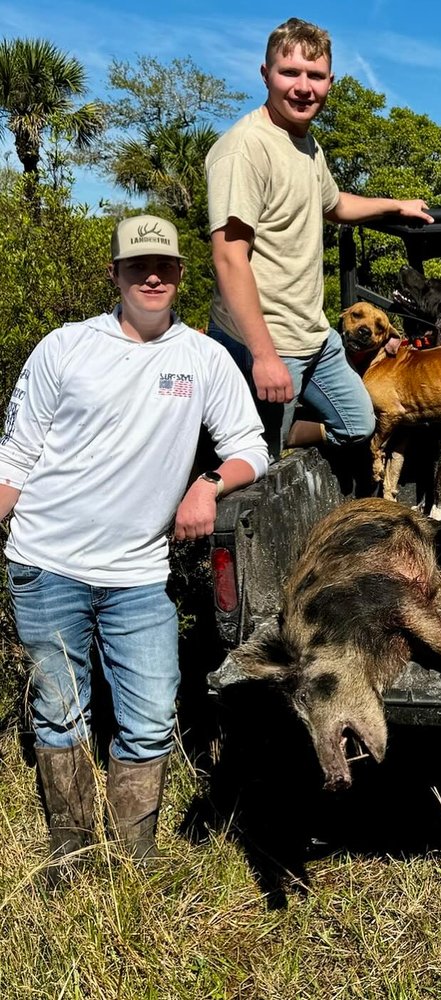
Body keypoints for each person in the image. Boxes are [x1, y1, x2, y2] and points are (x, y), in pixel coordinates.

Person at [0, 214, 270, 878]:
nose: (153, 276)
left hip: (139, 575)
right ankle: (72, 852)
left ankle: (135, 857)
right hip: (46, 563)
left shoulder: (203, 359)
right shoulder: (65, 347)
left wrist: (208, 484)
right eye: (137, 266)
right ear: (114, 274)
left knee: (150, 714)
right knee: (60, 712)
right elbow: (14, 460)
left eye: (166, 267)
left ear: (180, 275)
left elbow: (251, 450)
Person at [205, 17, 434, 458]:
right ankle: (248, 441)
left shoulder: (307, 144)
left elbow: (334, 205)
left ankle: (284, 430)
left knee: (360, 422)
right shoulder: (245, 148)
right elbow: (228, 258)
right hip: (266, 342)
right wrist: (265, 357)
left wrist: (395, 205)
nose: (303, 87)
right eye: (289, 73)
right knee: (257, 463)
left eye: (315, 76)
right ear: (265, 75)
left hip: (313, 334)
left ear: (330, 81)